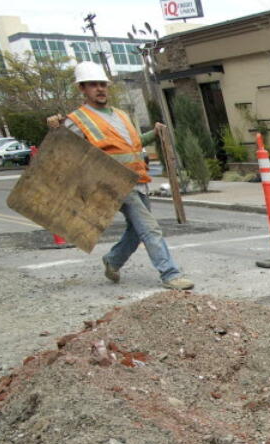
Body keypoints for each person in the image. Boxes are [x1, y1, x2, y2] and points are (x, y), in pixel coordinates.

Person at [47, 62, 194, 291]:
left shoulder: (121, 116)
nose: (100, 89)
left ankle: (113, 260)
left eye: (102, 84)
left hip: (138, 180)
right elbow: (64, 150)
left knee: (136, 230)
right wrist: (56, 129)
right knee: (149, 227)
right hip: (112, 183)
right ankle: (170, 274)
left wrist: (153, 134)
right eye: (93, 85)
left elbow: (133, 145)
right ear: (82, 89)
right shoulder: (78, 120)